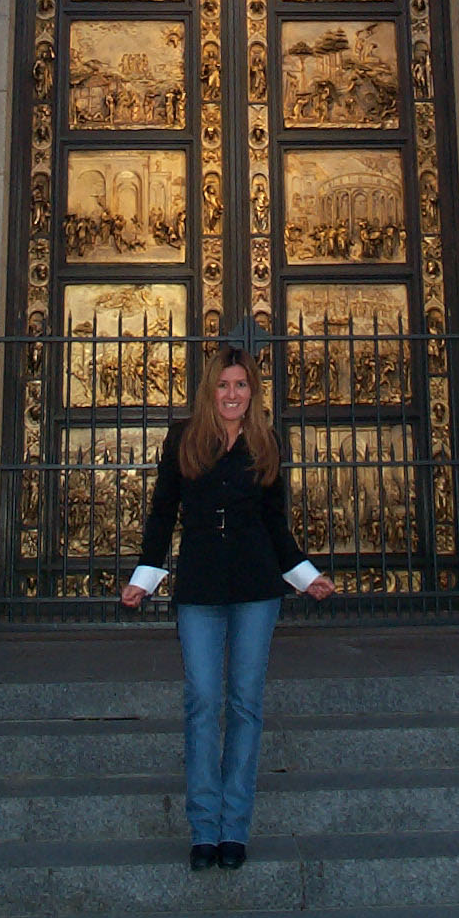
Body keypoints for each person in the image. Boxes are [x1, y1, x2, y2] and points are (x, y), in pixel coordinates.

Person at [120, 343, 335, 870]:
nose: (232, 394)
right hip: (200, 588)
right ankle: (203, 830)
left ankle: (234, 829)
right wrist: (144, 578)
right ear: (209, 390)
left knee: (244, 704)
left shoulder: (266, 442)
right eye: (223, 385)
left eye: (240, 385)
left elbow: (275, 521)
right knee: (201, 701)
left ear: (252, 392)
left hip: (256, 588)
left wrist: (306, 576)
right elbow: (163, 512)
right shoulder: (184, 440)